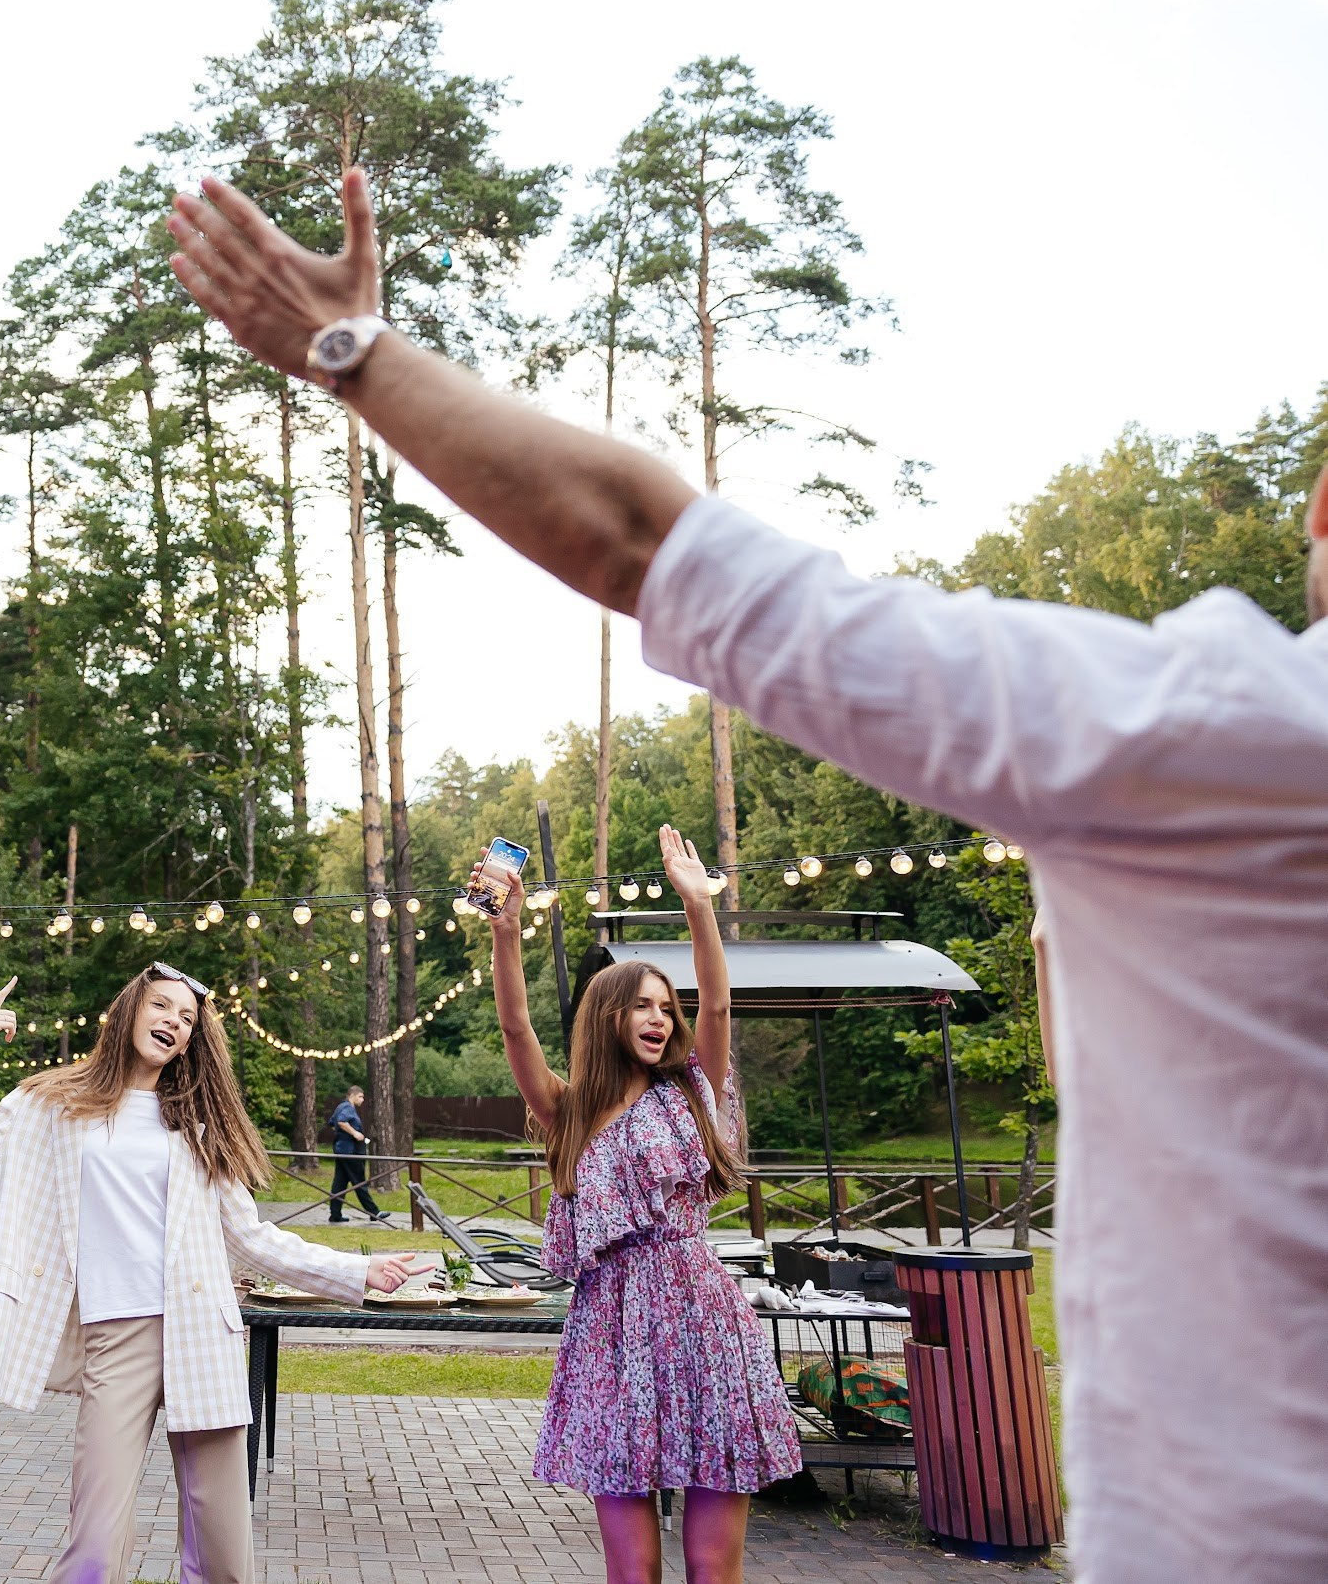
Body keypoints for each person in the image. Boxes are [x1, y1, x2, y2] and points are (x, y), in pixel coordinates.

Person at [164, 166, 1328, 1583]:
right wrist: (524, 934)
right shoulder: (586, 1098)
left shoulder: (1213, 733)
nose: (657, 1018)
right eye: (642, 1005)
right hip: (625, 1324)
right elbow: (535, 1035)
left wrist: (350, 345)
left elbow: (651, 540)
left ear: (1317, 513)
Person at [0, 964, 419, 1584]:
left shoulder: (196, 1121)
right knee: (96, 1543)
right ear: (129, 1009)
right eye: (161, 1007)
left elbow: (252, 1237)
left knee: (223, 1549)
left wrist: (359, 1269)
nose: (172, 1023)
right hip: (116, 1337)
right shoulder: (50, 1103)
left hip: (199, 1332)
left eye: (186, 1019)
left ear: (190, 1041)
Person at [479, 827, 798, 1584]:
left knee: (712, 1568)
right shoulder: (570, 1112)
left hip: (704, 1324)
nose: (659, 1017)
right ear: (606, 1015)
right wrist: (506, 934)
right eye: (641, 1006)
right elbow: (517, 1028)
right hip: (611, 1337)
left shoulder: (691, 1092)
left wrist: (699, 907)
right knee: (632, 1571)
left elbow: (716, 1004)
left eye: (665, 1006)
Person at [326, 1083, 386, 1223]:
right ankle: (374, 1212)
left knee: (339, 1183)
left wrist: (341, 1136)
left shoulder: (340, 1107)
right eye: (360, 1096)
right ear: (352, 1096)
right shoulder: (347, 1107)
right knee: (359, 1181)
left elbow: (331, 1123)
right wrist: (355, 1133)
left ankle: (335, 1214)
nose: (362, 1099)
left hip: (341, 1150)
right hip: (350, 1151)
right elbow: (341, 1122)